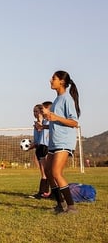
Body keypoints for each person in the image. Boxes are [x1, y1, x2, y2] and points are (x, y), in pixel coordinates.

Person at [43, 70, 81, 214]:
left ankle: (71, 207)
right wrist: (45, 125)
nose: (50, 80)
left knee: (56, 172)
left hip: (64, 141)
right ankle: (60, 204)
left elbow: (74, 122)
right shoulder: (56, 100)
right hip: (54, 142)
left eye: (53, 78)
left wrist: (56, 117)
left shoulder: (67, 99)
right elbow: (55, 121)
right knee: (48, 171)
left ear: (62, 82)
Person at [29, 102, 52, 199]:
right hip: (39, 148)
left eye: (37, 111)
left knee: (47, 172)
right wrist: (31, 146)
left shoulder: (47, 122)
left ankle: (43, 193)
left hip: (46, 147)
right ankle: (44, 192)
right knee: (43, 172)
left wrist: (42, 124)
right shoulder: (35, 125)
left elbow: (46, 136)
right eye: (33, 111)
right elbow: (37, 140)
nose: (35, 113)